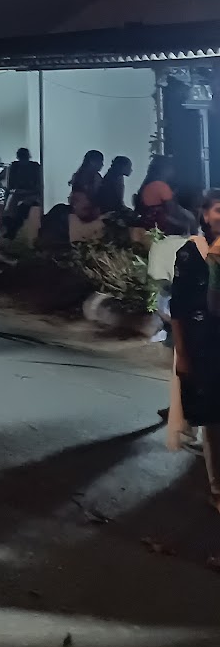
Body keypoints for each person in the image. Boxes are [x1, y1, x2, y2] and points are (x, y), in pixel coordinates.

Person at [168, 190, 220, 509]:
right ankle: (217, 486)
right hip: (204, 343)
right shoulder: (192, 253)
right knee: (214, 417)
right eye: (217, 210)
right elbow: (178, 307)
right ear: (203, 215)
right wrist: (182, 354)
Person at [0, 147, 43, 240]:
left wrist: (29, 192)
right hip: (17, 193)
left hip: (31, 194)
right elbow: (10, 186)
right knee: (8, 211)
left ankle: (13, 231)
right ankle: (10, 230)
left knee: (22, 209)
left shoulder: (35, 167)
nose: (23, 161)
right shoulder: (14, 167)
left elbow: (38, 186)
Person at [134, 154, 176, 229]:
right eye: (170, 167)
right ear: (163, 169)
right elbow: (172, 211)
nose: (173, 170)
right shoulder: (160, 186)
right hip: (157, 229)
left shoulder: (147, 184)